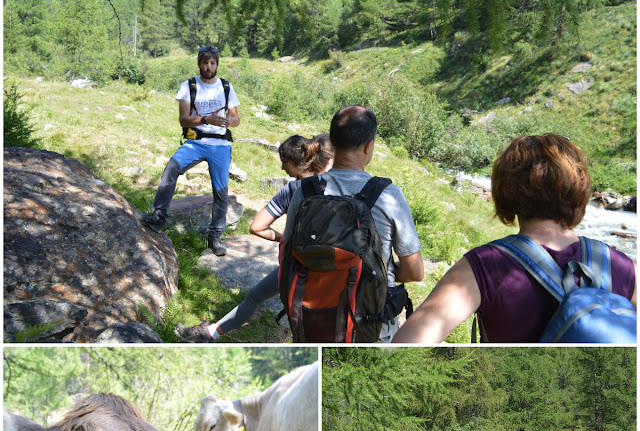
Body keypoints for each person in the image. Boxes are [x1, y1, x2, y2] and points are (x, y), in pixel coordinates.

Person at [392, 134, 638, 343]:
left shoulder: (484, 266)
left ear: (506, 191)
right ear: (579, 190)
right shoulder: (625, 267)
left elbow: (407, 345)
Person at [282, 105, 424, 342]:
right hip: (369, 324)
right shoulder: (388, 195)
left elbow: (289, 251)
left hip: (314, 318)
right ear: (369, 145)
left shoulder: (305, 191)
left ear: (332, 143)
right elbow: (415, 271)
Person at [175, 133, 334, 342]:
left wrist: (284, 238)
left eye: (284, 162)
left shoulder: (293, 189)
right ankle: (208, 333)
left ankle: (207, 334)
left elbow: (257, 226)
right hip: (329, 272)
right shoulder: (343, 191)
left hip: (294, 268)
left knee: (256, 297)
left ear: (301, 160)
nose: (282, 168)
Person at [140, 46, 240, 256]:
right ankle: (159, 216)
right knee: (171, 168)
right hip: (195, 142)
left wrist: (231, 120)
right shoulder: (189, 86)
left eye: (212, 63)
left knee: (220, 191)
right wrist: (206, 119)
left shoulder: (226, 87)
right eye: (205, 63)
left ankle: (215, 236)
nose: (208, 67)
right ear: (199, 64)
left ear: (217, 64)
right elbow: (183, 119)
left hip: (221, 145)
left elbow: (236, 117)